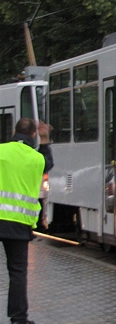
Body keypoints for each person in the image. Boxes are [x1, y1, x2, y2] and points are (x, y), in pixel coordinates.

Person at [0, 118, 53, 324]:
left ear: (14, 131)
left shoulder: (1, 151)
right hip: (19, 224)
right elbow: (49, 163)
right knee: (18, 272)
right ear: (33, 135)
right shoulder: (37, 158)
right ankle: (18, 318)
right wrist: (45, 139)